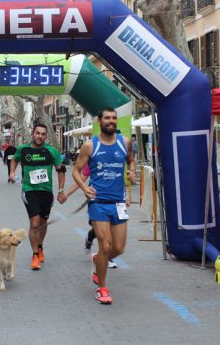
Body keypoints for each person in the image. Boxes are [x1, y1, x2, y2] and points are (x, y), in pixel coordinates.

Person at [73, 107, 136, 305]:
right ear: (99, 121)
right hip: (98, 202)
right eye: (107, 118)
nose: (111, 121)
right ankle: (102, 288)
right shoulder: (90, 146)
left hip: (118, 202)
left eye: (114, 118)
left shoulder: (125, 142)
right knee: (105, 245)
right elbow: (76, 171)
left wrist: (132, 172)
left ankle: (97, 260)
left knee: (118, 248)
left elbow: (132, 161)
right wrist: (84, 187)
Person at [9, 123, 67, 270]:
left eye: (42, 134)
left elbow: (61, 170)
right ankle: (35, 255)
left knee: (43, 222)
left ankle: (40, 246)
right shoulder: (23, 149)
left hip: (46, 192)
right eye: (37, 133)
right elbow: (14, 159)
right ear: (32, 134)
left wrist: (61, 190)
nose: (40, 136)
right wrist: (12, 173)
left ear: (45, 136)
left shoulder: (51, 151)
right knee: (34, 223)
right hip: (29, 190)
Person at [64, 163, 118, 268]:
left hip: (115, 200)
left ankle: (91, 238)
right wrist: (66, 194)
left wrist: (126, 196)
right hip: (97, 201)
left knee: (111, 229)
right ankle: (107, 257)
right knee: (103, 232)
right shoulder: (94, 159)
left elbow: (121, 180)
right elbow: (81, 179)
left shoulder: (118, 157)